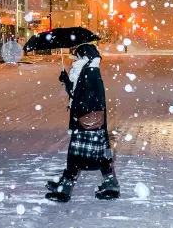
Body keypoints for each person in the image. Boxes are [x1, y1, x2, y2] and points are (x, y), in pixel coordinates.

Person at [46, 42, 120, 202]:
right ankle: (110, 184)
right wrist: (66, 81)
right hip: (92, 123)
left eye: (78, 56)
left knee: (75, 156)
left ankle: (64, 190)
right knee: (99, 156)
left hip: (86, 123)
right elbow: (79, 92)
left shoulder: (90, 72)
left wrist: (77, 106)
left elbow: (85, 98)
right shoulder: (88, 70)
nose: (75, 60)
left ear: (85, 57)